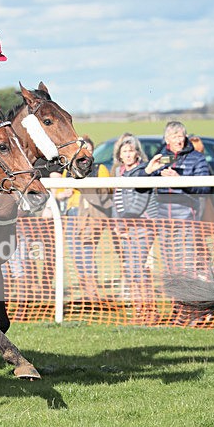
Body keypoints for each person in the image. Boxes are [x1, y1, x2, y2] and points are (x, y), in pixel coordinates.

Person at [142, 121, 210, 323]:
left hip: (186, 220)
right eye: (174, 136)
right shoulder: (161, 157)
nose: (178, 140)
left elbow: (205, 188)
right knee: (170, 268)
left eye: (181, 136)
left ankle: (191, 310)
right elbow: (144, 180)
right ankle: (177, 308)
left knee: (186, 267)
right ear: (166, 139)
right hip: (164, 221)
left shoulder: (196, 158)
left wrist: (179, 179)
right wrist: (153, 172)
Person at [56, 136, 113, 301]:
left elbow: (106, 193)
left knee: (87, 254)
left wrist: (82, 188)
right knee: (75, 255)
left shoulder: (100, 169)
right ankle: (86, 290)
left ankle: (92, 292)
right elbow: (59, 193)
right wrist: (63, 194)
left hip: (89, 216)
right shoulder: (69, 170)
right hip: (70, 214)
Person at [111, 134, 159, 324]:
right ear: (120, 155)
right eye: (125, 151)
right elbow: (117, 201)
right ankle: (139, 308)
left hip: (143, 226)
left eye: (131, 151)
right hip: (125, 227)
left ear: (137, 153)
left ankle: (150, 310)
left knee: (138, 268)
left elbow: (139, 203)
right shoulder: (119, 173)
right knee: (130, 270)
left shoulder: (142, 172)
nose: (129, 155)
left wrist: (125, 221)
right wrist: (117, 224)